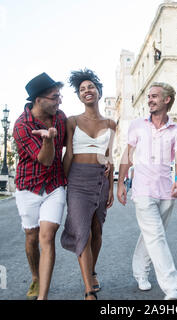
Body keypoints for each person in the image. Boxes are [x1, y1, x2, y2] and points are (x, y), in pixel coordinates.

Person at [117, 82, 177, 300]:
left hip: (167, 190)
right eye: (149, 96)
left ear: (167, 99)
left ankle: (140, 271)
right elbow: (127, 155)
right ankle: (173, 287)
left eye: (155, 96)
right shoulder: (138, 125)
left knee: (153, 234)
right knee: (155, 235)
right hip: (143, 189)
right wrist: (120, 183)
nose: (150, 100)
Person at [60, 68, 115, 300]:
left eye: (90, 87)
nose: (87, 91)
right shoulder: (72, 121)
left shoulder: (111, 123)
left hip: (100, 178)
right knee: (82, 230)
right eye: (82, 89)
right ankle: (88, 290)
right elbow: (69, 154)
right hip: (77, 178)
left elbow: (108, 155)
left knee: (97, 229)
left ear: (99, 92)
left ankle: (92, 271)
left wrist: (111, 186)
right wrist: (63, 185)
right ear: (79, 96)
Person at [13, 72, 67, 300]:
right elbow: (44, 159)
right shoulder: (21, 125)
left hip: (54, 186)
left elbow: (72, 146)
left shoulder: (61, 117)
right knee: (32, 236)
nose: (59, 101)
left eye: (59, 96)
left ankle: (42, 296)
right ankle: (35, 277)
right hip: (29, 187)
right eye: (54, 97)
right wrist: (48, 140)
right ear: (38, 99)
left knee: (47, 236)